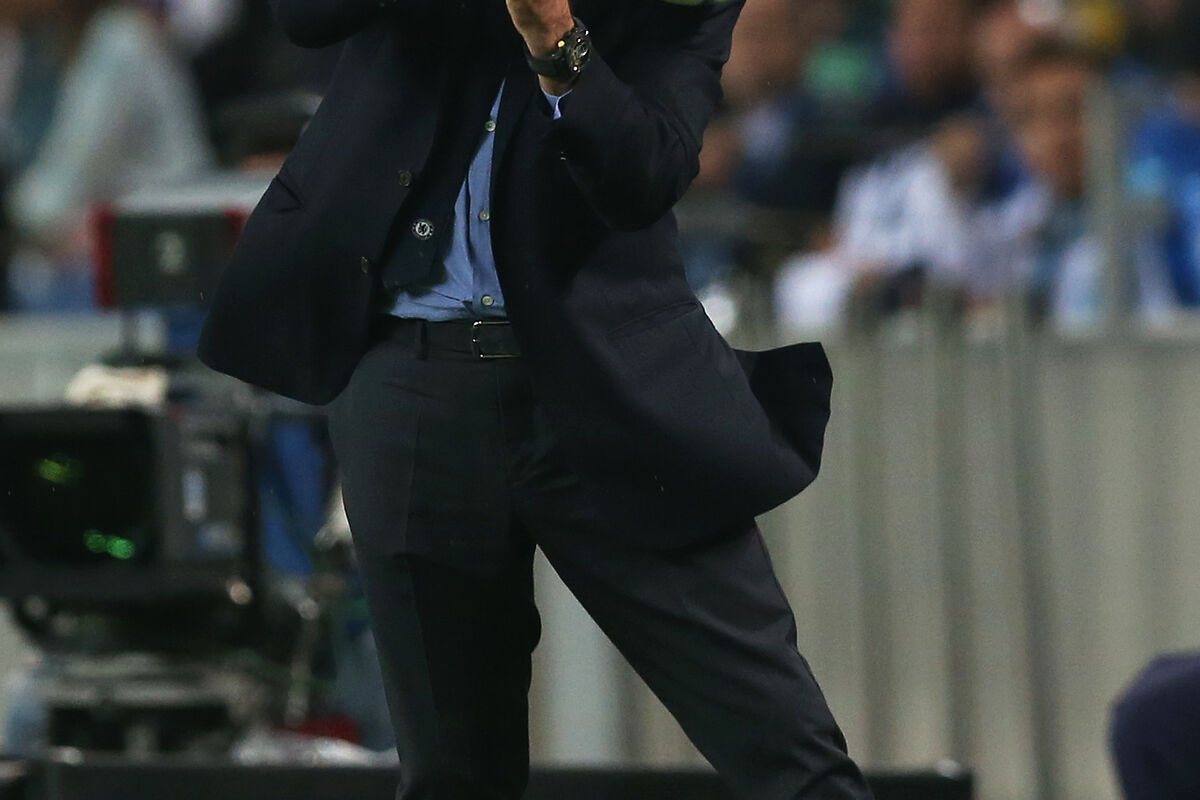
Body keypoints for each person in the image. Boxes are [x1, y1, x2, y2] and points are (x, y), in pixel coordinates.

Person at [196, 0, 874, 797]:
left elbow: (645, 173)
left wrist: (557, 39)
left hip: (610, 393)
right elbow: (308, 15)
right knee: (450, 777)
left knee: (788, 754)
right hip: (411, 383)